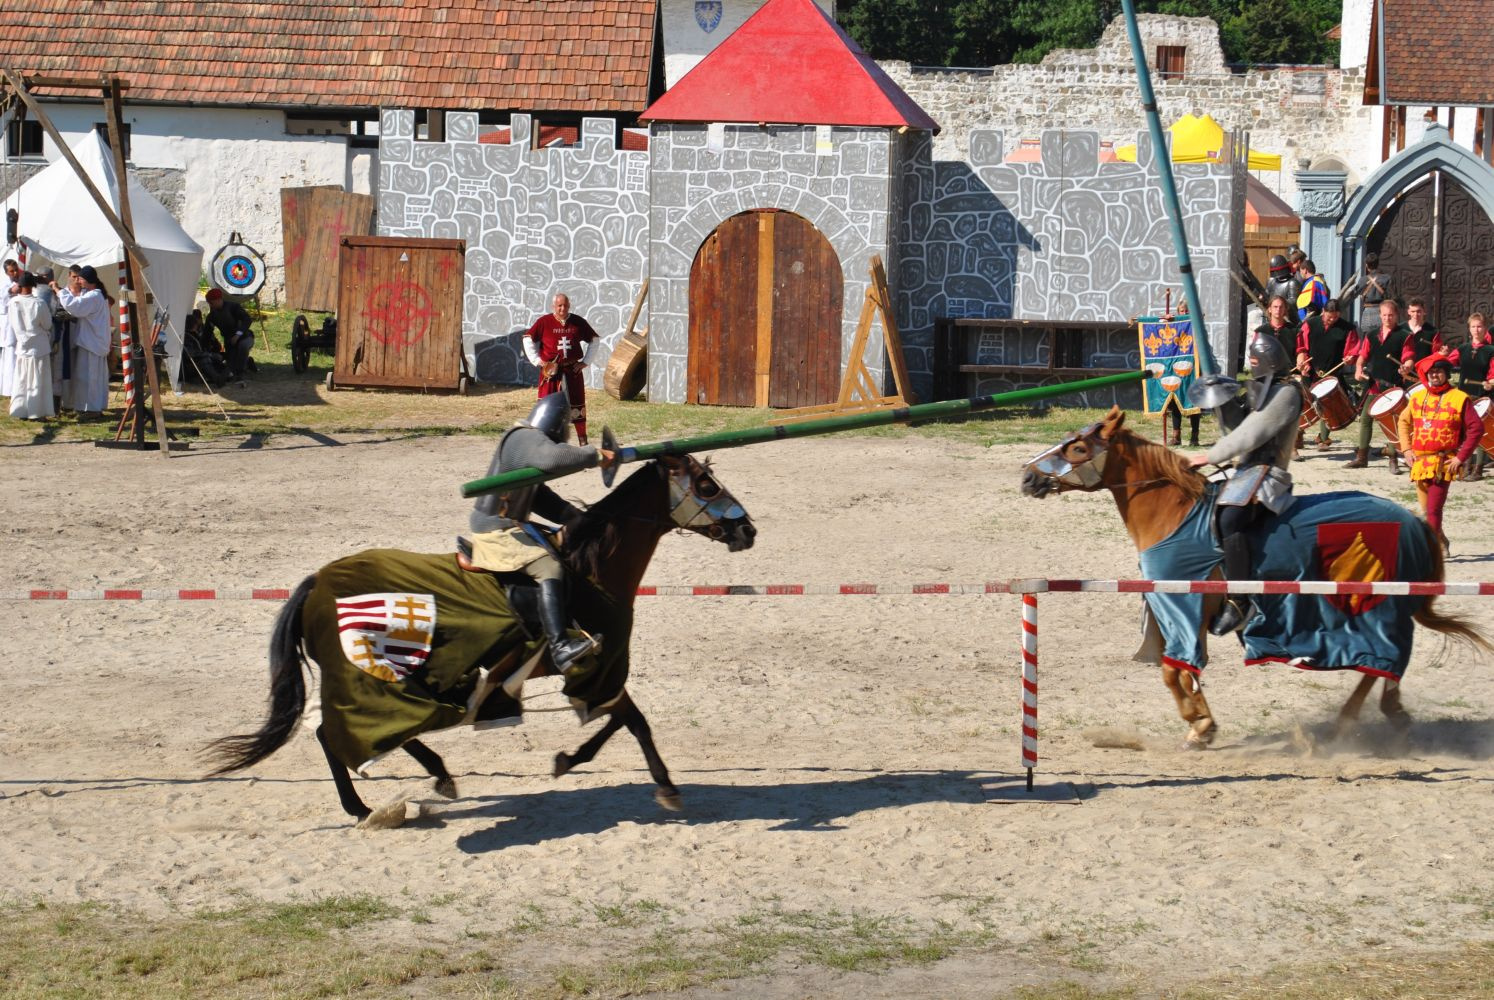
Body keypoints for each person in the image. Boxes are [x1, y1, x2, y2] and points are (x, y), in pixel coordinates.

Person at [460, 394, 618, 674]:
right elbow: (555, 458)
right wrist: (594, 455)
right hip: (495, 529)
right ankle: (559, 648)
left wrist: (572, 517)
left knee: (562, 547)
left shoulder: (525, 441)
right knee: (549, 567)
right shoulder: (524, 439)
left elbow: (537, 494)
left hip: (508, 524)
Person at [1188, 335, 1302, 636]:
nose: (1252, 364)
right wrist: (1221, 401)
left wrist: (1209, 456)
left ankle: (1239, 601)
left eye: (1255, 359)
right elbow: (1237, 427)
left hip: (1268, 474)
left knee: (1230, 518)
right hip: (1245, 470)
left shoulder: (1287, 393)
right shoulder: (1263, 390)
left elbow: (1252, 434)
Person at [1397, 356, 1483, 554]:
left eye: (1439, 371)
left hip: (1444, 463)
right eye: (1431, 372)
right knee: (1428, 511)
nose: (1434, 375)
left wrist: (1461, 457)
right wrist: (1407, 449)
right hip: (1419, 462)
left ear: (1447, 374)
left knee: (1434, 510)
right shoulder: (1418, 397)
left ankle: (1431, 552)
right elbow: (1403, 421)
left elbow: (1476, 429)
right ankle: (1441, 540)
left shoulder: (1460, 398)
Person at [523, 292, 597, 445]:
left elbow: (595, 340)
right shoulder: (544, 322)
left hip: (572, 371)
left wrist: (585, 362)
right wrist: (538, 361)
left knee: (577, 404)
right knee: (546, 405)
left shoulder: (578, 322)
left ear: (569, 306)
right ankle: (542, 441)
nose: (562, 309)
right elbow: (528, 338)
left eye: (565, 305)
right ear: (553, 306)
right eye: (559, 306)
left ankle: (583, 441)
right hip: (550, 372)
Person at [1347, 299, 1412, 470]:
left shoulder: (1404, 336)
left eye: (1391, 315)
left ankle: (1393, 458)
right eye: (1384, 315)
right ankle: (1362, 457)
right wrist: (1358, 368)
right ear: (1380, 315)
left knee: (1392, 422)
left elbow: (1409, 357)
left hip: (1393, 386)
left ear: (1397, 316)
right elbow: (1363, 356)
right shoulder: (1371, 335)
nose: (1387, 318)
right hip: (1374, 384)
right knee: (1366, 419)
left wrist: (1406, 367)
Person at [1295, 297, 1355, 450]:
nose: (1332, 320)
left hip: (1332, 371)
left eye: (1335, 317)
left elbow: (1353, 350)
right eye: (1329, 317)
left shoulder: (1347, 328)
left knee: (1327, 403)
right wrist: (1303, 360)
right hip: (1310, 370)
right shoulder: (1310, 324)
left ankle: (1323, 438)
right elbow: (1301, 346)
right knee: (1305, 404)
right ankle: (1298, 434)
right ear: (1323, 312)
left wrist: (1350, 358)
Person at [53, 264, 110, 415]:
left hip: (91, 342)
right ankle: (93, 406)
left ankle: (91, 409)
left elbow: (74, 306)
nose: (78, 281)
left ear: (88, 280)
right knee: (92, 378)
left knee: (88, 378)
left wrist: (59, 291)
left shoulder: (94, 296)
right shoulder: (97, 294)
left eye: (81, 278)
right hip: (94, 341)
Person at [7, 272, 53, 420]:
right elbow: (47, 324)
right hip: (38, 345)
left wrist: (24, 338)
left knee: (22, 379)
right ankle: (37, 411)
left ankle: (21, 410)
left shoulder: (13, 303)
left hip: (23, 346)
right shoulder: (39, 303)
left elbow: (16, 326)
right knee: (38, 379)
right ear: (33, 286)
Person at [1455, 313, 1494, 479]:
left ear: (1485, 329)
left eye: (1479, 326)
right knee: (1465, 430)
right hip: (1464, 394)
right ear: (1469, 329)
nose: (1476, 330)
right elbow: (1448, 363)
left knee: (1479, 430)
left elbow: (1493, 373)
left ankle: (1478, 468)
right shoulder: (1463, 349)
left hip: (1482, 395)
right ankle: (1465, 465)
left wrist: (1490, 381)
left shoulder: (1491, 350)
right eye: (1473, 326)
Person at [202, 288, 256, 383]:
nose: (210, 305)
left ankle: (241, 374)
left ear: (219, 300)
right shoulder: (212, 316)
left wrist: (237, 335)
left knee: (242, 347)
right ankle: (247, 362)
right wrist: (202, 348)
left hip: (245, 337)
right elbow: (207, 333)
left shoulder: (233, 307)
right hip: (230, 342)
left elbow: (247, 319)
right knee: (231, 365)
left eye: (212, 303)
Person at [1345, 252, 1393, 338]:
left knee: (1368, 340)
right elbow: (1393, 297)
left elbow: (1354, 294)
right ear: (1378, 264)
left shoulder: (1363, 280)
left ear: (1366, 265)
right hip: (1382, 312)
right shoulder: (1386, 278)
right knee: (1383, 338)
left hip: (1368, 312)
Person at [0, 257, 20, 399]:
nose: (14, 273)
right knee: (10, 354)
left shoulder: (21, 281)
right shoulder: (4, 285)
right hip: (8, 323)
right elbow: (3, 300)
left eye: (15, 270)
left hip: (19, 322)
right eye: (11, 271)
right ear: (7, 272)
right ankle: (8, 388)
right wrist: (11, 291)